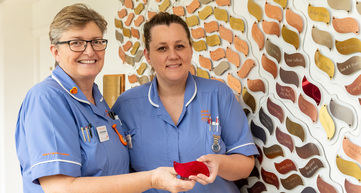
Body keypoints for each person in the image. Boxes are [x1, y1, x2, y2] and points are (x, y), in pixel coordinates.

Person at [15, 4, 195, 193]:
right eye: (76, 42)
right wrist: (151, 179)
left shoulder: (99, 103)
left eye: (96, 41)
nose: (90, 51)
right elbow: (61, 188)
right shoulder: (47, 99)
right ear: (55, 52)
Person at [111, 12, 259, 193]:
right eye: (162, 48)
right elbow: (117, 173)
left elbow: (245, 164)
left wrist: (220, 163)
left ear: (190, 49)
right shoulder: (126, 106)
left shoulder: (219, 94)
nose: (173, 55)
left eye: (179, 46)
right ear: (148, 56)